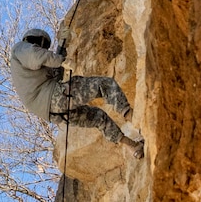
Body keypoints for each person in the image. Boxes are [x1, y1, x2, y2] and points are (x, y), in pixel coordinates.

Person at [9, 27, 145, 159]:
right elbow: (38, 56)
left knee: (98, 117)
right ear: (36, 40)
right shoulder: (20, 48)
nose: (44, 48)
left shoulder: (27, 70)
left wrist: (62, 46)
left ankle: (133, 147)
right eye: (44, 45)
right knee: (105, 85)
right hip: (53, 98)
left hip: (53, 114)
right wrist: (62, 60)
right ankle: (140, 124)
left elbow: (57, 74)